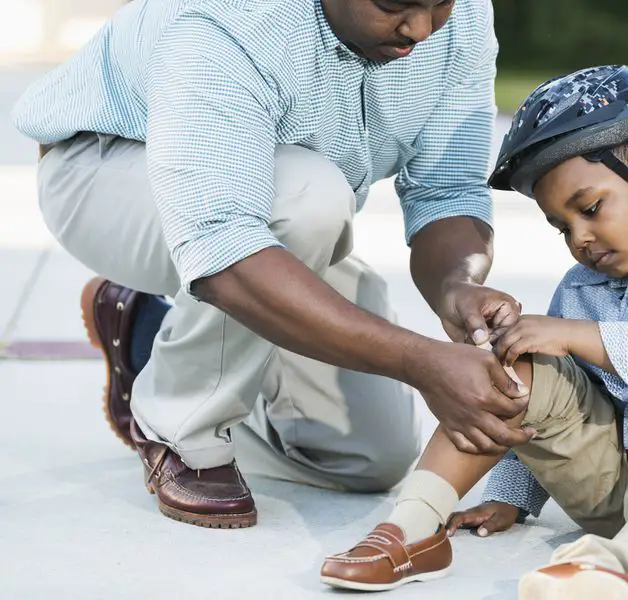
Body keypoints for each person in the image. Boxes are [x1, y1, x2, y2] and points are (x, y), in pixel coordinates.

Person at [11, 0, 533, 529]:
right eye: (393, 5)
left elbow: (446, 188)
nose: (421, 29)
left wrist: (456, 286)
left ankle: (144, 338)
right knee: (309, 199)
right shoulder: (230, 17)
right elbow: (224, 248)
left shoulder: (462, 15)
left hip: (276, 211)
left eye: (437, 4)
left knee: (369, 458)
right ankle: (181, 427)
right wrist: (419, 361)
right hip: (108, 169)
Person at [320, 65, 628, 600]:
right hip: (605, 477)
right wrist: (513, 497)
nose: (580, 238)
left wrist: (574, 334)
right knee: (516, 364)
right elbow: (541, 412)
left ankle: (603, 575)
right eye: (563, 227)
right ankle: (412, 528)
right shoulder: (581, 287)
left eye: (590, 209)